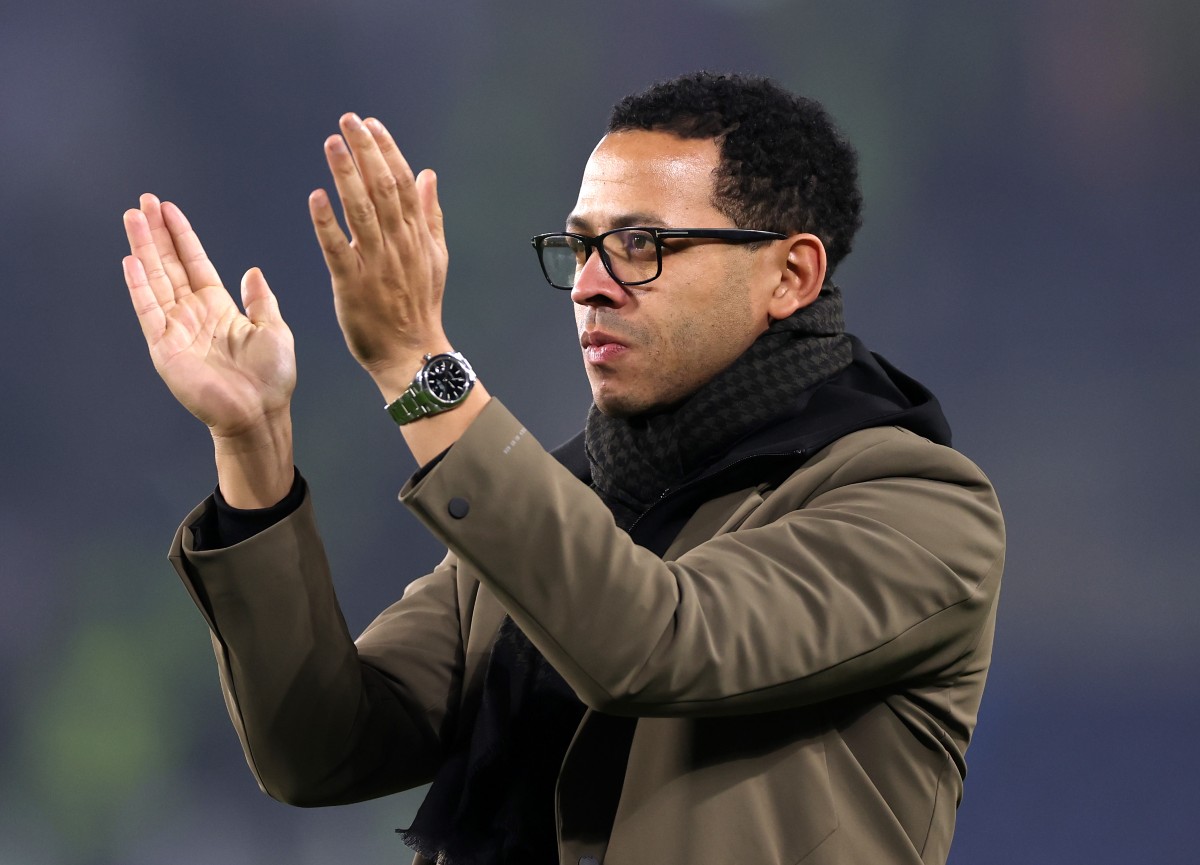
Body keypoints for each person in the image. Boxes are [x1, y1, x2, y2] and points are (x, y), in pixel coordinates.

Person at [121, 72, 1004, 865]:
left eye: (642, 244)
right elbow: (321, 748)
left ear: (790, 275)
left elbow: (656, 643)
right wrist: (253, 444)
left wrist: (418, 368)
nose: (589, 284)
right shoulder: (556, 499)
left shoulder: (916, 506)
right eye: (580, 246)